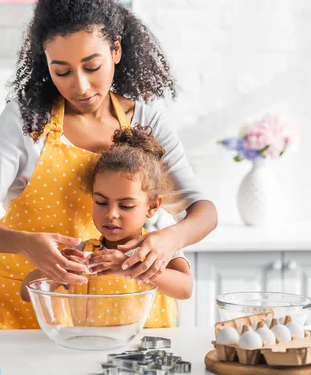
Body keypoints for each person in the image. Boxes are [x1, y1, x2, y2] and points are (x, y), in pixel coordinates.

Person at [0, 0, 217, 331]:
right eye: (62, 71)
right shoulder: (26, 120)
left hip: (85, 318)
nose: (80, 86)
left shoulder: (146, 122)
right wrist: (28, 246)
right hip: (0, 308)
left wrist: (169, 238)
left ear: (115, 49)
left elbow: (203, 212)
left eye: (92, 66)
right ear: (46, 63)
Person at [20, 125, 192, 327]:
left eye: (126, 205)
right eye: (101, 202)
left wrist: (129, 266)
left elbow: (185, 289)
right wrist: (61, 268)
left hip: (149, 354)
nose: (111, 214)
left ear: (152, 206)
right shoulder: (85, 251)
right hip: (92, 349)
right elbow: (26, 292)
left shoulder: (158, 248)